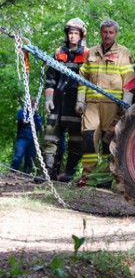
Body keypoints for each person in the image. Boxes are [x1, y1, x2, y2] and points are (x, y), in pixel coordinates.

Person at [76, 19, 134, 184]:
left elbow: (129, 81)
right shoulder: (92, 52)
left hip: (112, 105)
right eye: (105, 32)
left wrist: (126, 105)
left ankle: (105, 177)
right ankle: (88, 175)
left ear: (116, 34)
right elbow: (82, 77)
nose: (107, 35)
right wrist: (80, 100)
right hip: (92, 104)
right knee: (88, 137)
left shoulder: (123, 53)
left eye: (111, 32)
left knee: (109, 140)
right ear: (100, 32)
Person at [43, 17, 89, 182]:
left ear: (81, 35)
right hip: (58, 102)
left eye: (76, 33)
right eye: (70, 33)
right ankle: (48, 172)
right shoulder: (58, 53)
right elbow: (50, 78)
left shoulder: (87, 54)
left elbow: (90, 80)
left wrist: (83, 101)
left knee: (76, 139)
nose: (72, 36)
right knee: (50, 136)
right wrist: (49, 98)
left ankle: (68, 173)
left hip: (76, 103)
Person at [11, 102, 43, 174]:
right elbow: (21, 122)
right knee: (18, 156)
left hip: (32, 140)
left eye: (34, 105)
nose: (32, 106)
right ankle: (12, 171)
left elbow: (38, 127)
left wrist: (28, 122)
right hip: (22, 138)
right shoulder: (22, 112)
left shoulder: (38, 116)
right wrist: (26, 121)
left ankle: (26, 174)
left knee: (30, 158)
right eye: (31, 104)